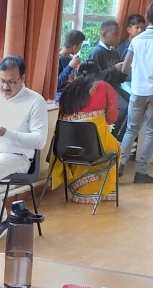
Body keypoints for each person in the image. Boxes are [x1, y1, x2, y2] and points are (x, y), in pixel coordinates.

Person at [0, 55, 49, 241]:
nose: (5, 87)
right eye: (2, 81)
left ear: (22, 78)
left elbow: (39, 141)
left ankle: (0, 220)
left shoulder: (35, 101)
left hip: (18, 157)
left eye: (11, 82)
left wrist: (6, 133)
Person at [117, 0, 153, 185]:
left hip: (137, 90)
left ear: (147, 17)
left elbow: (125, 69)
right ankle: (141, 172)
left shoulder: (136, 40)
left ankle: (120, 164)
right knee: (151, 131)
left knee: (131, 129)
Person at [51, 61, 120, 205]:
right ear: (98, 74)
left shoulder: (68, 89)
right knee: (115, 148)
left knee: (88, 146)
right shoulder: (105, 87)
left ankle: (78, 190)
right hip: (93, 146)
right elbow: (112, 118)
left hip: (65, 147)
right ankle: (101, 191)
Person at [88, 20, 129, 140]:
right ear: (104, 34)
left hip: (115, 87)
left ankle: (118, 138)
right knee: (124, 107)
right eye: (114, 33)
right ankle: (110, 136)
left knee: (134, 104)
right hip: (102, 89)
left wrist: (124, 70)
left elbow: (119, 79)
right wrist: (114, 69)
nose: (118, 37)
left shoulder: (114, 53)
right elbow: (94, 77)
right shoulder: (97, 52)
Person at [56, 28, 86, 99]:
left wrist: (81, 71)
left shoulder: (72, 59)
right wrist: (69, 67)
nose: (80, 48)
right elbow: (56, 84)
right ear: (75, 47)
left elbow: (74, 80)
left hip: (72, 94)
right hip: (60, 97)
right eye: (80, 45)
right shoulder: (57, 60)